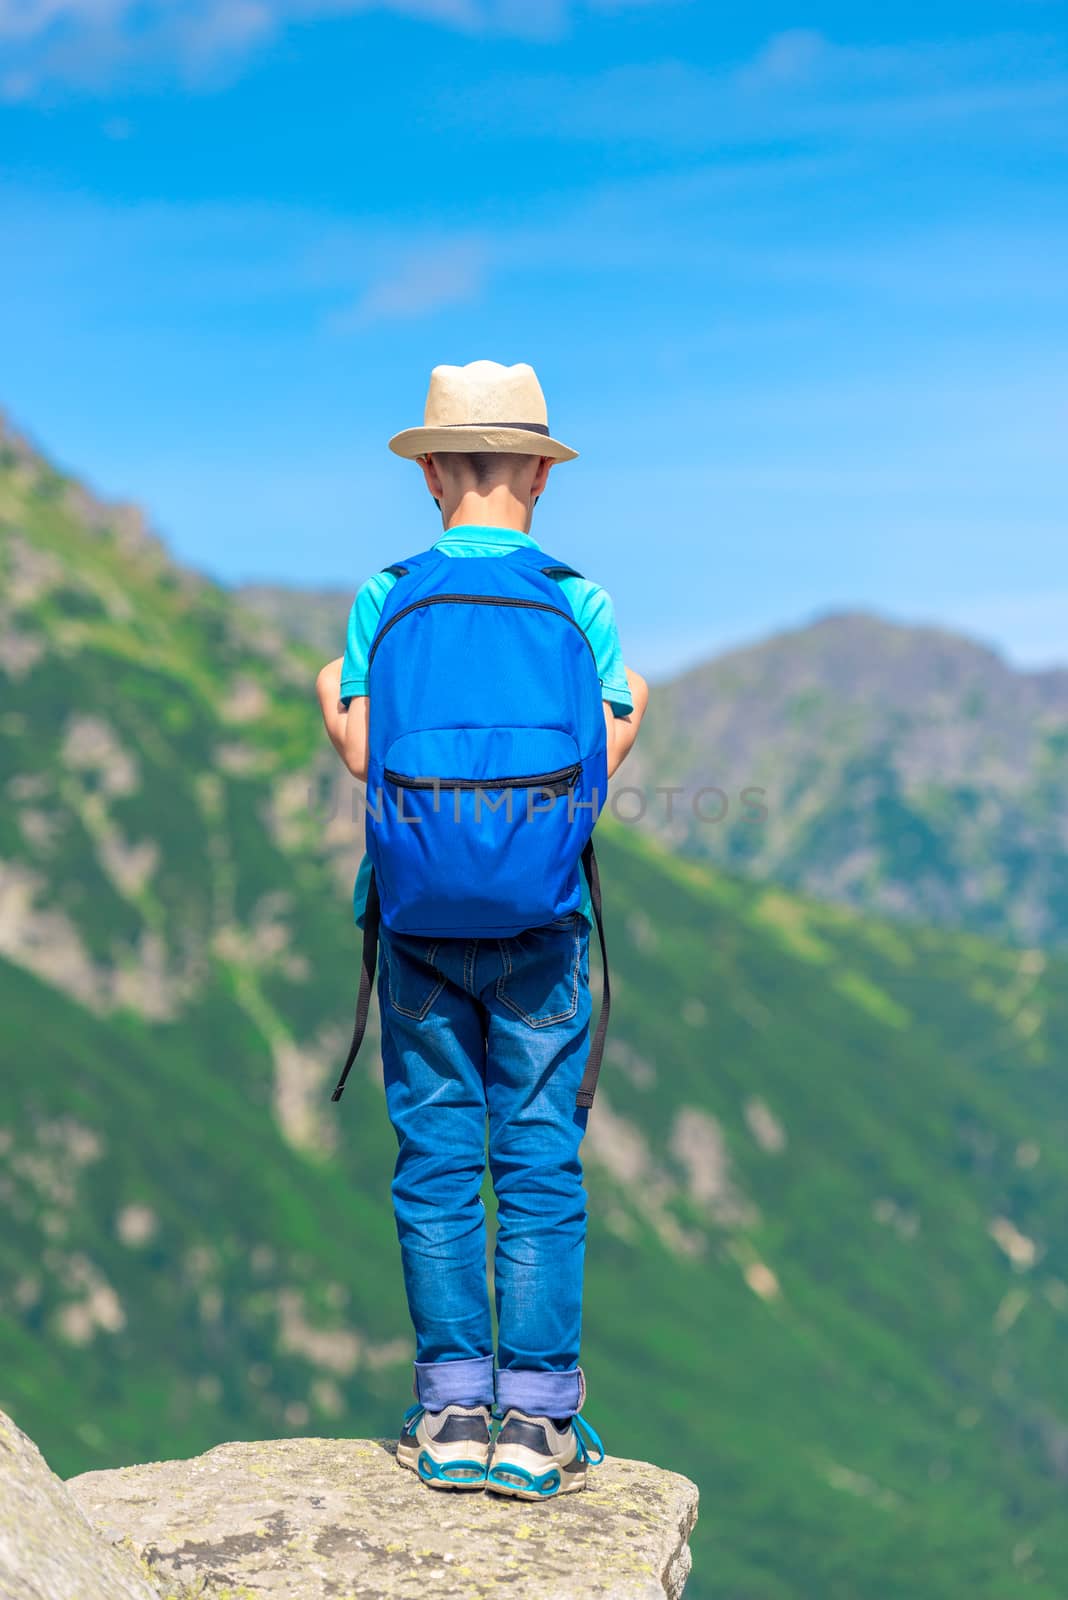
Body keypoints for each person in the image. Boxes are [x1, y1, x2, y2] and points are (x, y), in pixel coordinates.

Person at [316, 360, 648, 1499]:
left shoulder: (385, 598)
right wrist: (636, 699)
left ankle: (453, 1410)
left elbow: (363, 752)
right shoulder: (576, 599)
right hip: (542, 933)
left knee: (441, 1162)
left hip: (415, 930)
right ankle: (541, 1423)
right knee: (540, 1164)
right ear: (538, 481)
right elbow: (597, 761)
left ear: (435, 477)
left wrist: (328, 685)